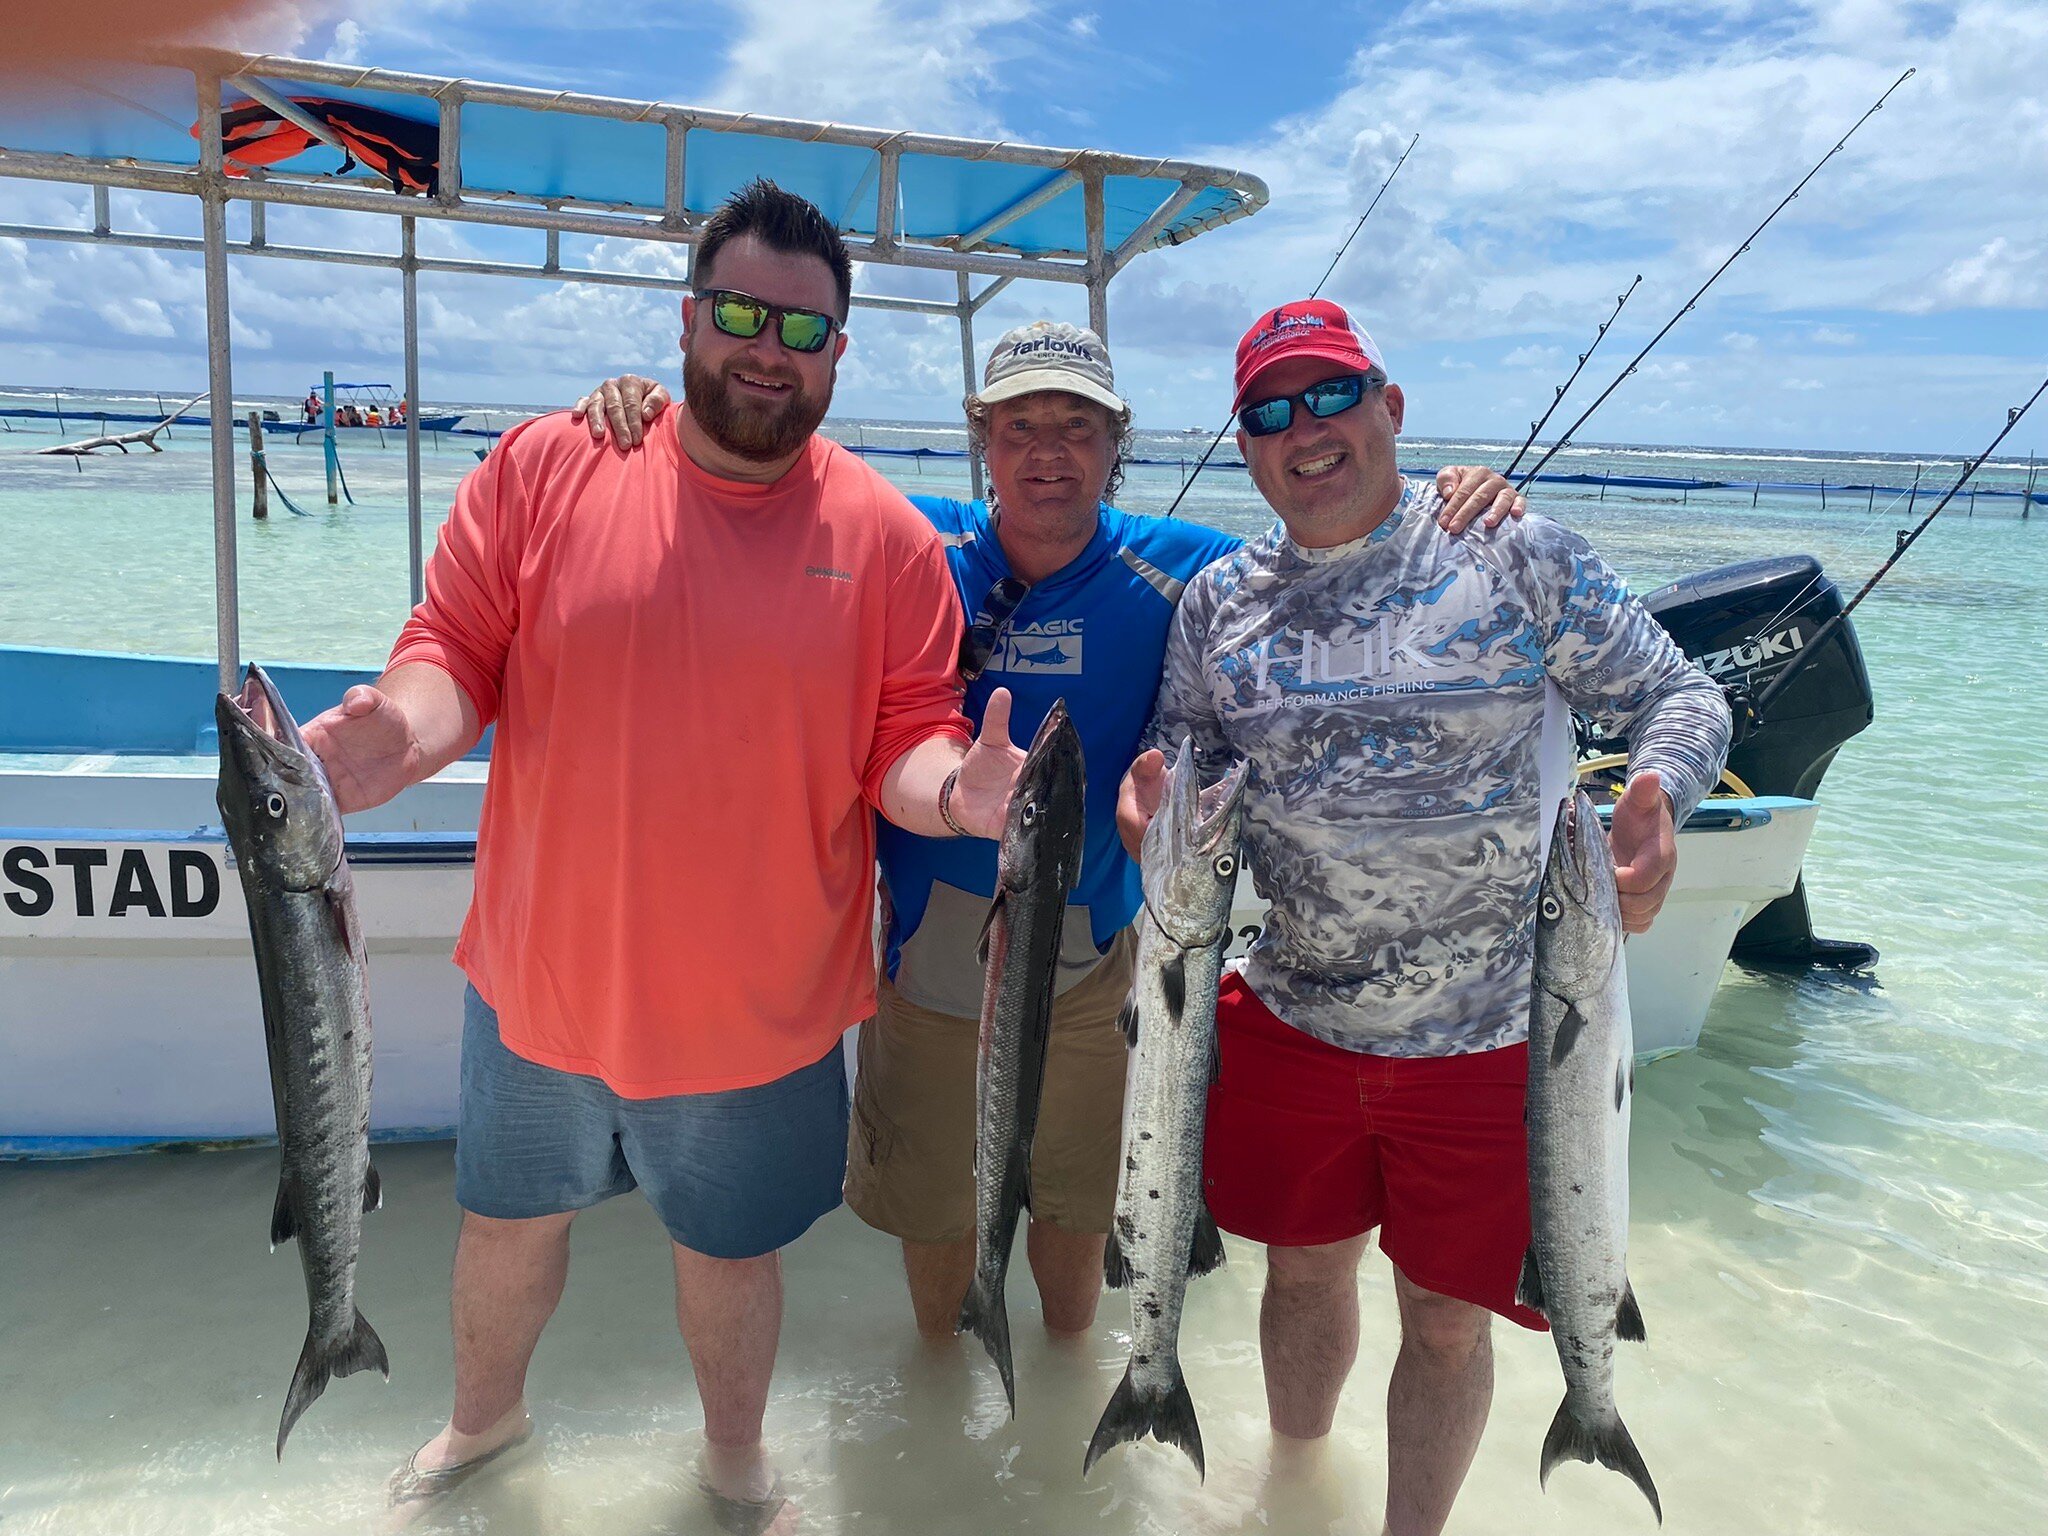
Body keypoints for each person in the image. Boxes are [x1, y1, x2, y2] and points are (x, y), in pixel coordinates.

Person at [300, 178, 1027, 1527]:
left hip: (760, 1004)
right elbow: (453, 655)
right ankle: (481, 1422)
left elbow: (904, 746)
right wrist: (396, 740)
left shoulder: (888, 541)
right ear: (689, 320)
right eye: (740, 313)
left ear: (839, 353)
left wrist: (966, 799)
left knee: (730, 1252)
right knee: (505, 1225)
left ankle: (735, 1462)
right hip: (541, 976)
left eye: (801, 328)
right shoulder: (547, 463)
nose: (768, 347)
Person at [575, 328, 1526, 1348]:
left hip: (1097, 974)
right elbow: (751, 475)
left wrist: (1446, 497)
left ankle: (1064, 1385)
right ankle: (946, 1386)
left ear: (1115, 442)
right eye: (1019, 424)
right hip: (926, 971)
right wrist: (648, 419)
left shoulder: (1184, 570)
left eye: (1076, 425)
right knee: (938, 1215)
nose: (1047, 451)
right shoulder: (904, 540)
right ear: (980, 439)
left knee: (1074, 1212)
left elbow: (1327, 542)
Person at [1115, 298, 1731, 1536]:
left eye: (1330, 395)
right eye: (1268, 412)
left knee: (1448, 1320)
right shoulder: (1216, 605)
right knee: (1299, 1274)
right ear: (1244, 445)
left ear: (1387, 407)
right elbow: (1177, 754)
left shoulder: (1514, 551)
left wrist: (1659, 791)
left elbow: (1681, 692)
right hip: (1291, 1014)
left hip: (1507, 1038)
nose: (1305, 429)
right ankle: (1294, 1488)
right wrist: (1151, 802)